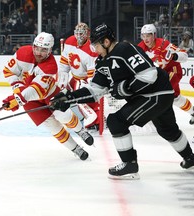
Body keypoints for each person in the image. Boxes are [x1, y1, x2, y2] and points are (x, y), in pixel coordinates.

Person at [50, 24, 194, 179]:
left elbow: (149, 74)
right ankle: (190, 158)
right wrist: (68, 98)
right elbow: (95, 91)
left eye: (96, 45)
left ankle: (130, 165)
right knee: (168, 130)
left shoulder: (125, 49)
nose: (94, 49)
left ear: (106, 42)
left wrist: (123, 88)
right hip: (157, 95)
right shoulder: (102, 61)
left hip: (155, 94)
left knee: (116, 121)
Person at [1, 32, 94, 160]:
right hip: (28, 100)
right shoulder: (22, 53)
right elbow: (9, 71)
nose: (38, 52)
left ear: (50, 51)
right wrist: (17, 89)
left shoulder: (50, 66)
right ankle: (75, 148)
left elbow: (37, 90)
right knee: (52, 126)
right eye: (36, 48)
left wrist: (18, 99)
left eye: (43, 50)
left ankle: (80, 131)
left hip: (48, 94)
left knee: (65, 116)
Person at [138, 24, 194, 125]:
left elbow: (184, 56)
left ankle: (157, 119)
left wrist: (173, 55)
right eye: (143, 36)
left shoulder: (165, 44)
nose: (145, 39)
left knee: (161, 92)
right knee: (176, 98)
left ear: (154, 35)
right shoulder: (140, 48)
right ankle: (193, 112)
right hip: (159, 74)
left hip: (173, 71)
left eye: (148, 35)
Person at [57, 22, 100, 133]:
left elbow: (92, 73)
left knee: (85, 99)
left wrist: (88, 87)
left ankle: (94, 120)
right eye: (77, 33)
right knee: (63, 95)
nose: (79, 36)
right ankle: (72, 117)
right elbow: (64, 63)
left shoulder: (92, 49)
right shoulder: (69, 41)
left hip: (85, 79)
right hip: (74, 78)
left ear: (87, 34)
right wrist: (63, 80)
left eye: (82, 33)